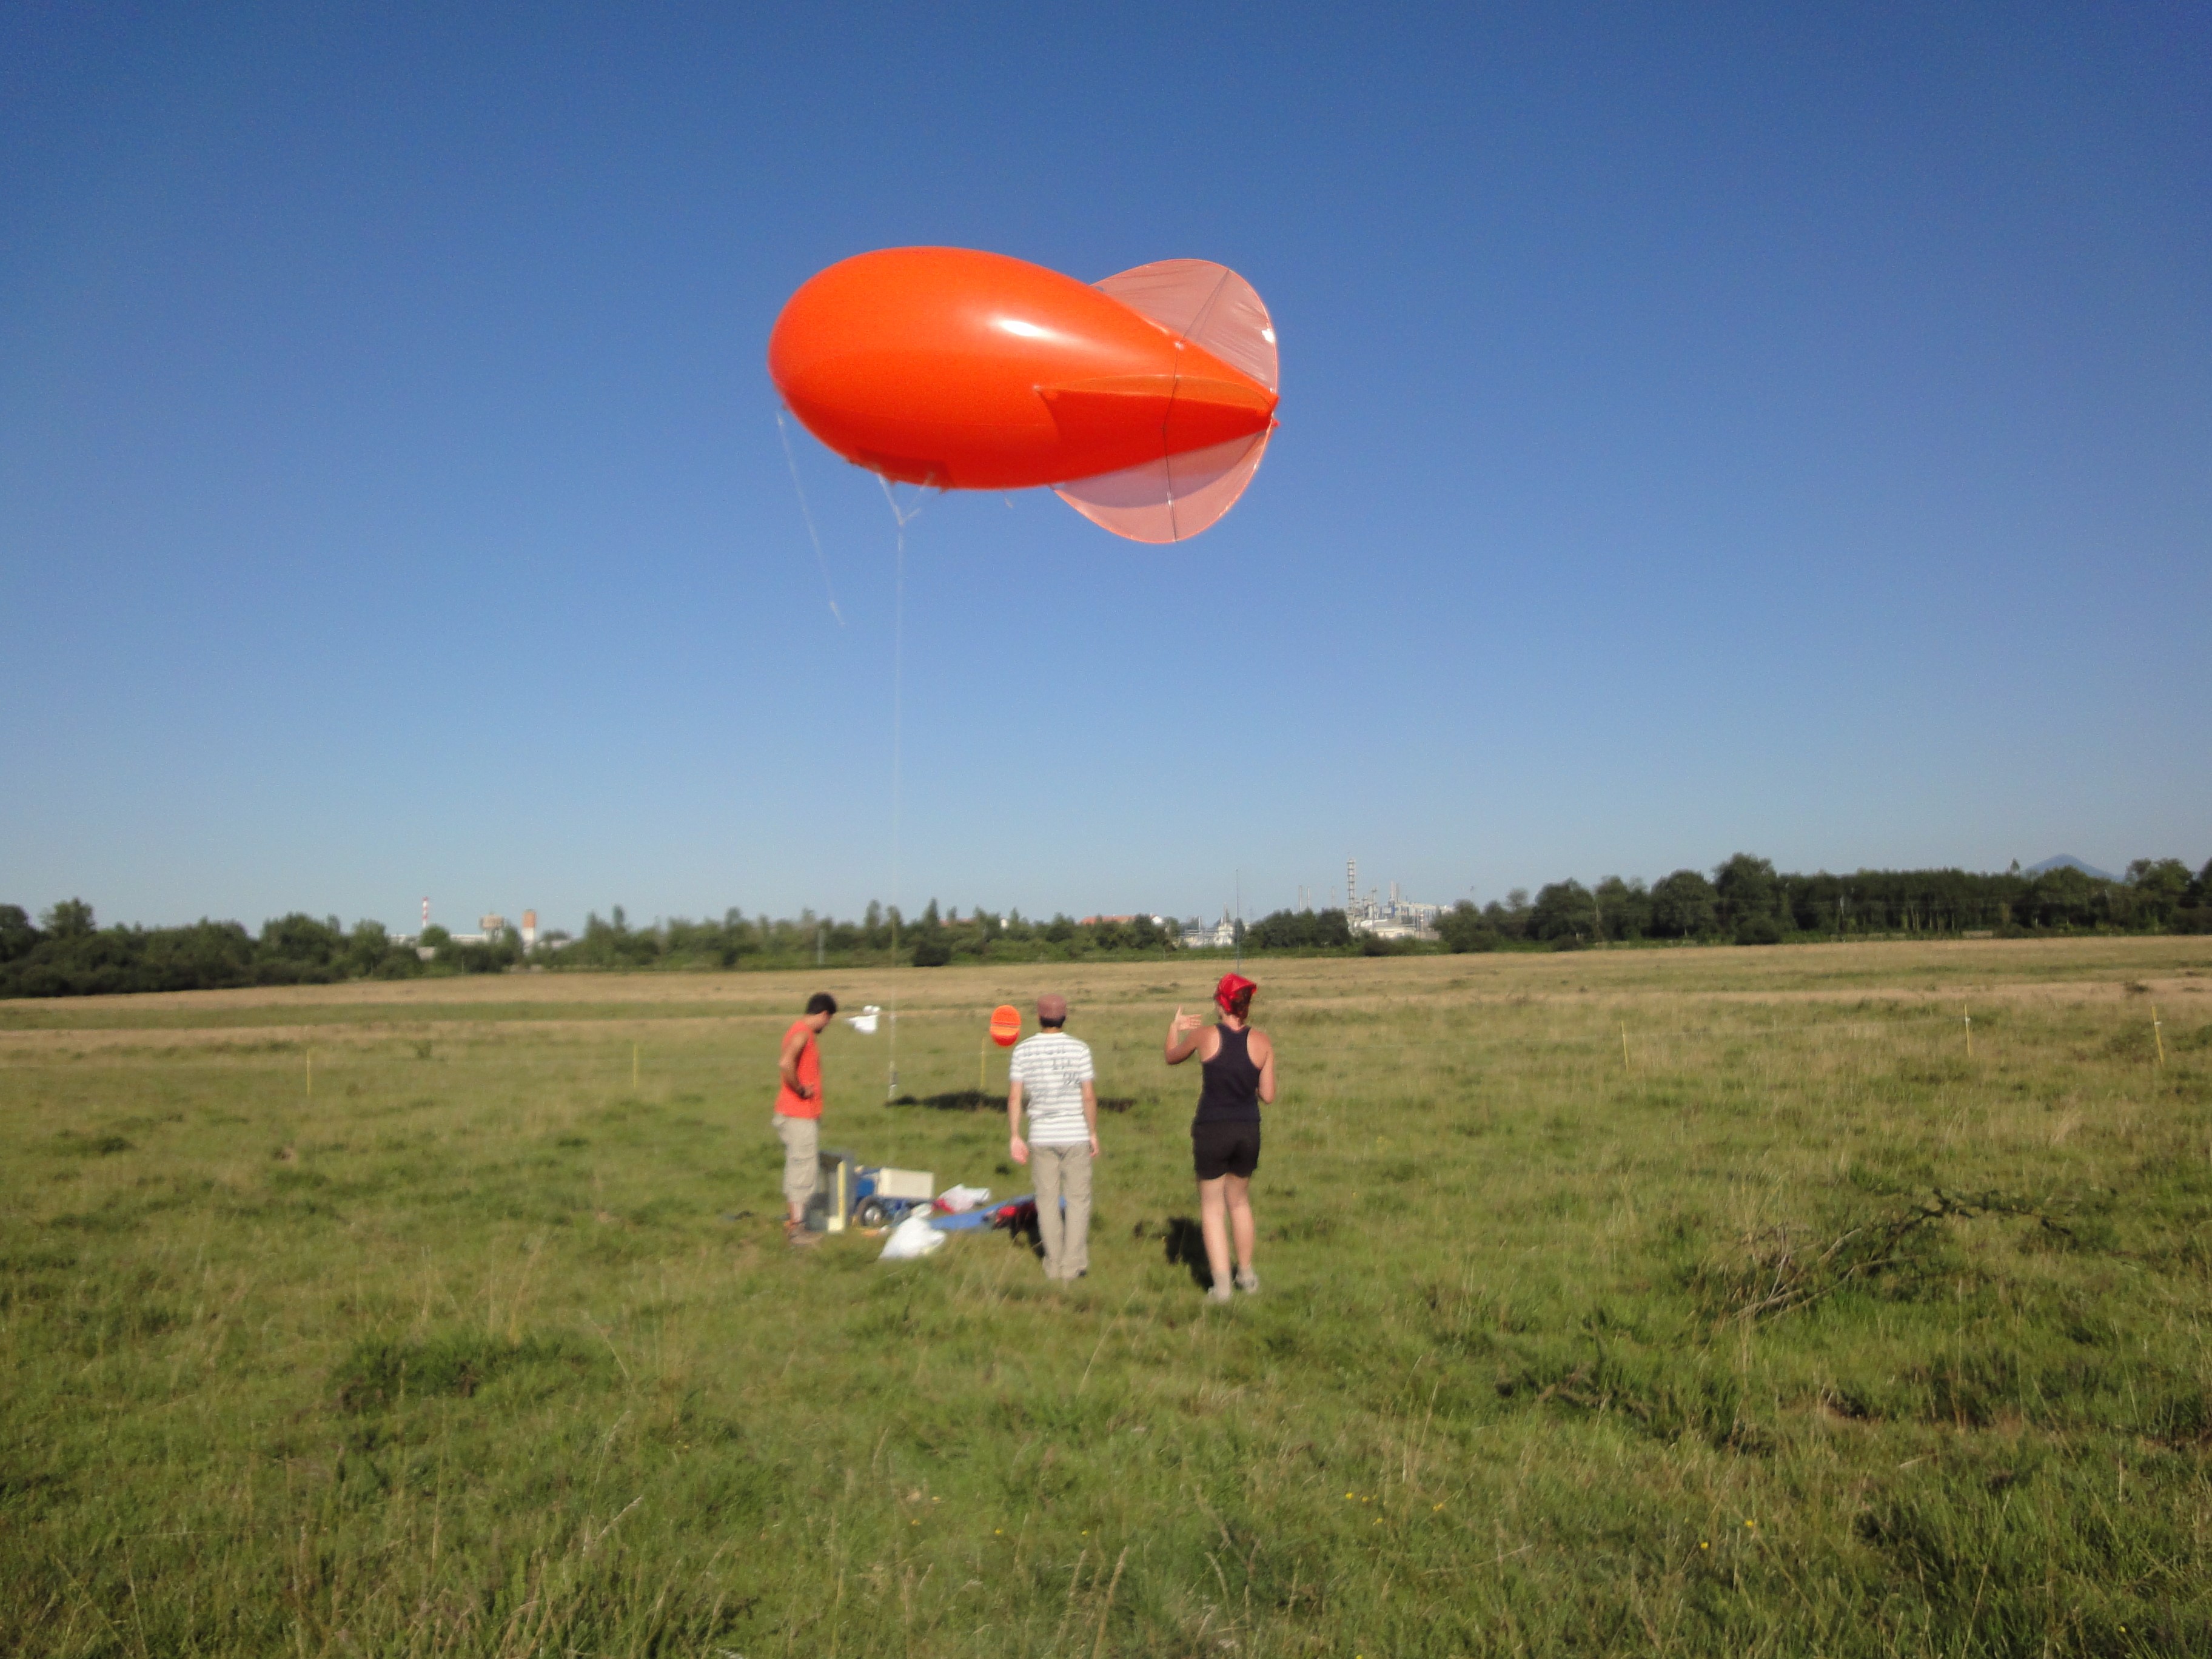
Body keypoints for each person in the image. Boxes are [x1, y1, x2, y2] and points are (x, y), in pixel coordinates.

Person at [1165, 971, 1274, 1302]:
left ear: (1222, 1002)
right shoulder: (1263, 1041)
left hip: (1212, 1128)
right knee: (1239, 1203)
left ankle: (1222, 1287)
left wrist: (1174, 1029)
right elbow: (1267, 1095)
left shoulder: (1204, 1035)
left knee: (1212, 1209)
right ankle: (1247, 1275)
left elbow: (1171, 1056)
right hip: (1248, 1129)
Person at [1007, 992, 1099, 1281]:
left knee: (1046, 1201)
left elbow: (1014, 1097)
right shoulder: (1080, 1049)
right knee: (1078, 1200)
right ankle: (1072, 1266)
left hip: (1041, 1134)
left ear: (1038, 1017)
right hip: (1075, 1134)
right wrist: (1092, 1132)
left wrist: (1014, 1136)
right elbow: (1089, 1096)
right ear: (1065, 1016)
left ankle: (1053, 1263)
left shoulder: (1023, 1051)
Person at [773, 992, 837, 1245]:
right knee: (804, 1170)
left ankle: (794, 1222)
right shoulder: (802, 1034)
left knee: (796, 1168)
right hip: (798, 1115)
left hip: (794, 1115)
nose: (827, 1026)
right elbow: (785, 1063)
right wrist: (800, 1089)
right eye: (829, 1020)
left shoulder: (797, 1031)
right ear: (823, 1015)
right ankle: (798, 1229)